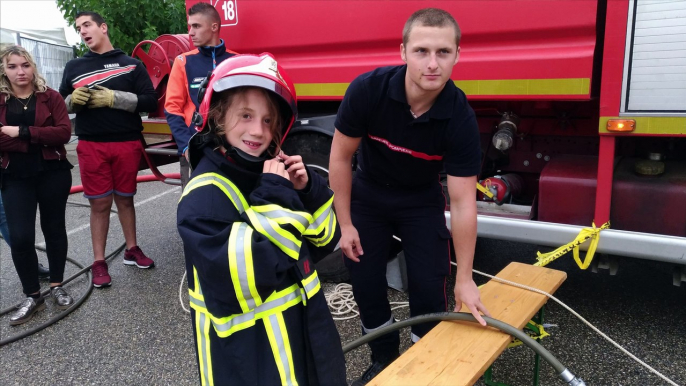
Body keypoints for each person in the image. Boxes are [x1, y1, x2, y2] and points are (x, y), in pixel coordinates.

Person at [329, 8, 492, 384]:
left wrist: (465, 279)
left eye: (443, 52)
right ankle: (384, 360)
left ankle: (422, 366)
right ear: (402, 51)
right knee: (366, 283)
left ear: (457, 55)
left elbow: (465, 202)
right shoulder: (367, 91)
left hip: (420, 200)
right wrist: (346, 223)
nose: (432, 64)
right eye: (421, 51)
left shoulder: (460, 118)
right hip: (369, 196)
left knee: (428, 285)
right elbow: (339, 157)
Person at [177, 53, 346, 385]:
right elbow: (250, 278)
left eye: (268, 121)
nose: (259, 130)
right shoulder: (204, 198)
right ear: (217, 116)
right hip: (251, 364)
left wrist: (309, 190)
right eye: (246, 115)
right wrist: (276, 194)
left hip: (306, 346)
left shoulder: (268, 175)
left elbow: (325, 241)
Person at [59, 11, 158, 287]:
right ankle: (99, 261)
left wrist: (115, 98)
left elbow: (150, 101)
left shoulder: (131, 65)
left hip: (127, 141)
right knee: (100, 204)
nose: (83, 31)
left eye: (87, 25)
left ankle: (131, 249)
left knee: (126, 198)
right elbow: (58, 105)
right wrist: (70, 101)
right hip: (92, 144)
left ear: (103, 27)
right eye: (79, 28)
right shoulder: (74, 67)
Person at [0, 45, 74, 325]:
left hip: (52, 171)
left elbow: (64, 133)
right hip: (14, 176)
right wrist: (41, 136)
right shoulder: (1, 100)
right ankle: (32, 295)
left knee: (54, 228)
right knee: (19, 236)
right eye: (13, 66)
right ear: (4, 71)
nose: (21, 72)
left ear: (32, 67)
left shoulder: (50, 97)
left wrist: (21, 132)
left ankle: (56, 284)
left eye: (25, 65)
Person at [165, 2, 237, 186]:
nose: (190, 32)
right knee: (195, 207)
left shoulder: (236, 61)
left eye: (196, 26)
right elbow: (172, 109)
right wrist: (186, 147)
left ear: (214, 27)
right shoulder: (183, 62)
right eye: (190, 26)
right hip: (195, 148)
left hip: (231, 148)